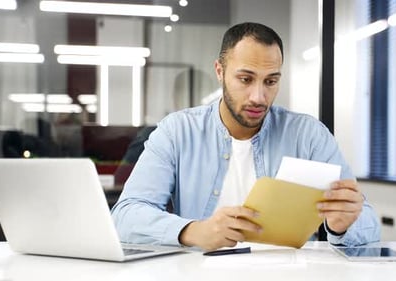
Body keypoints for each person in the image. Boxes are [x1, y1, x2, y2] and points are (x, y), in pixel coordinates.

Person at [111, 22, 380, 251]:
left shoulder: (308, 135)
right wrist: (193, 231)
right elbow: (126, 216)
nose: (258, 97)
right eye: (245, 79)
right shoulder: (176, 131)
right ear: (220, 71)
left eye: (271, 81)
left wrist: (343, 226)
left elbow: (367, 222)